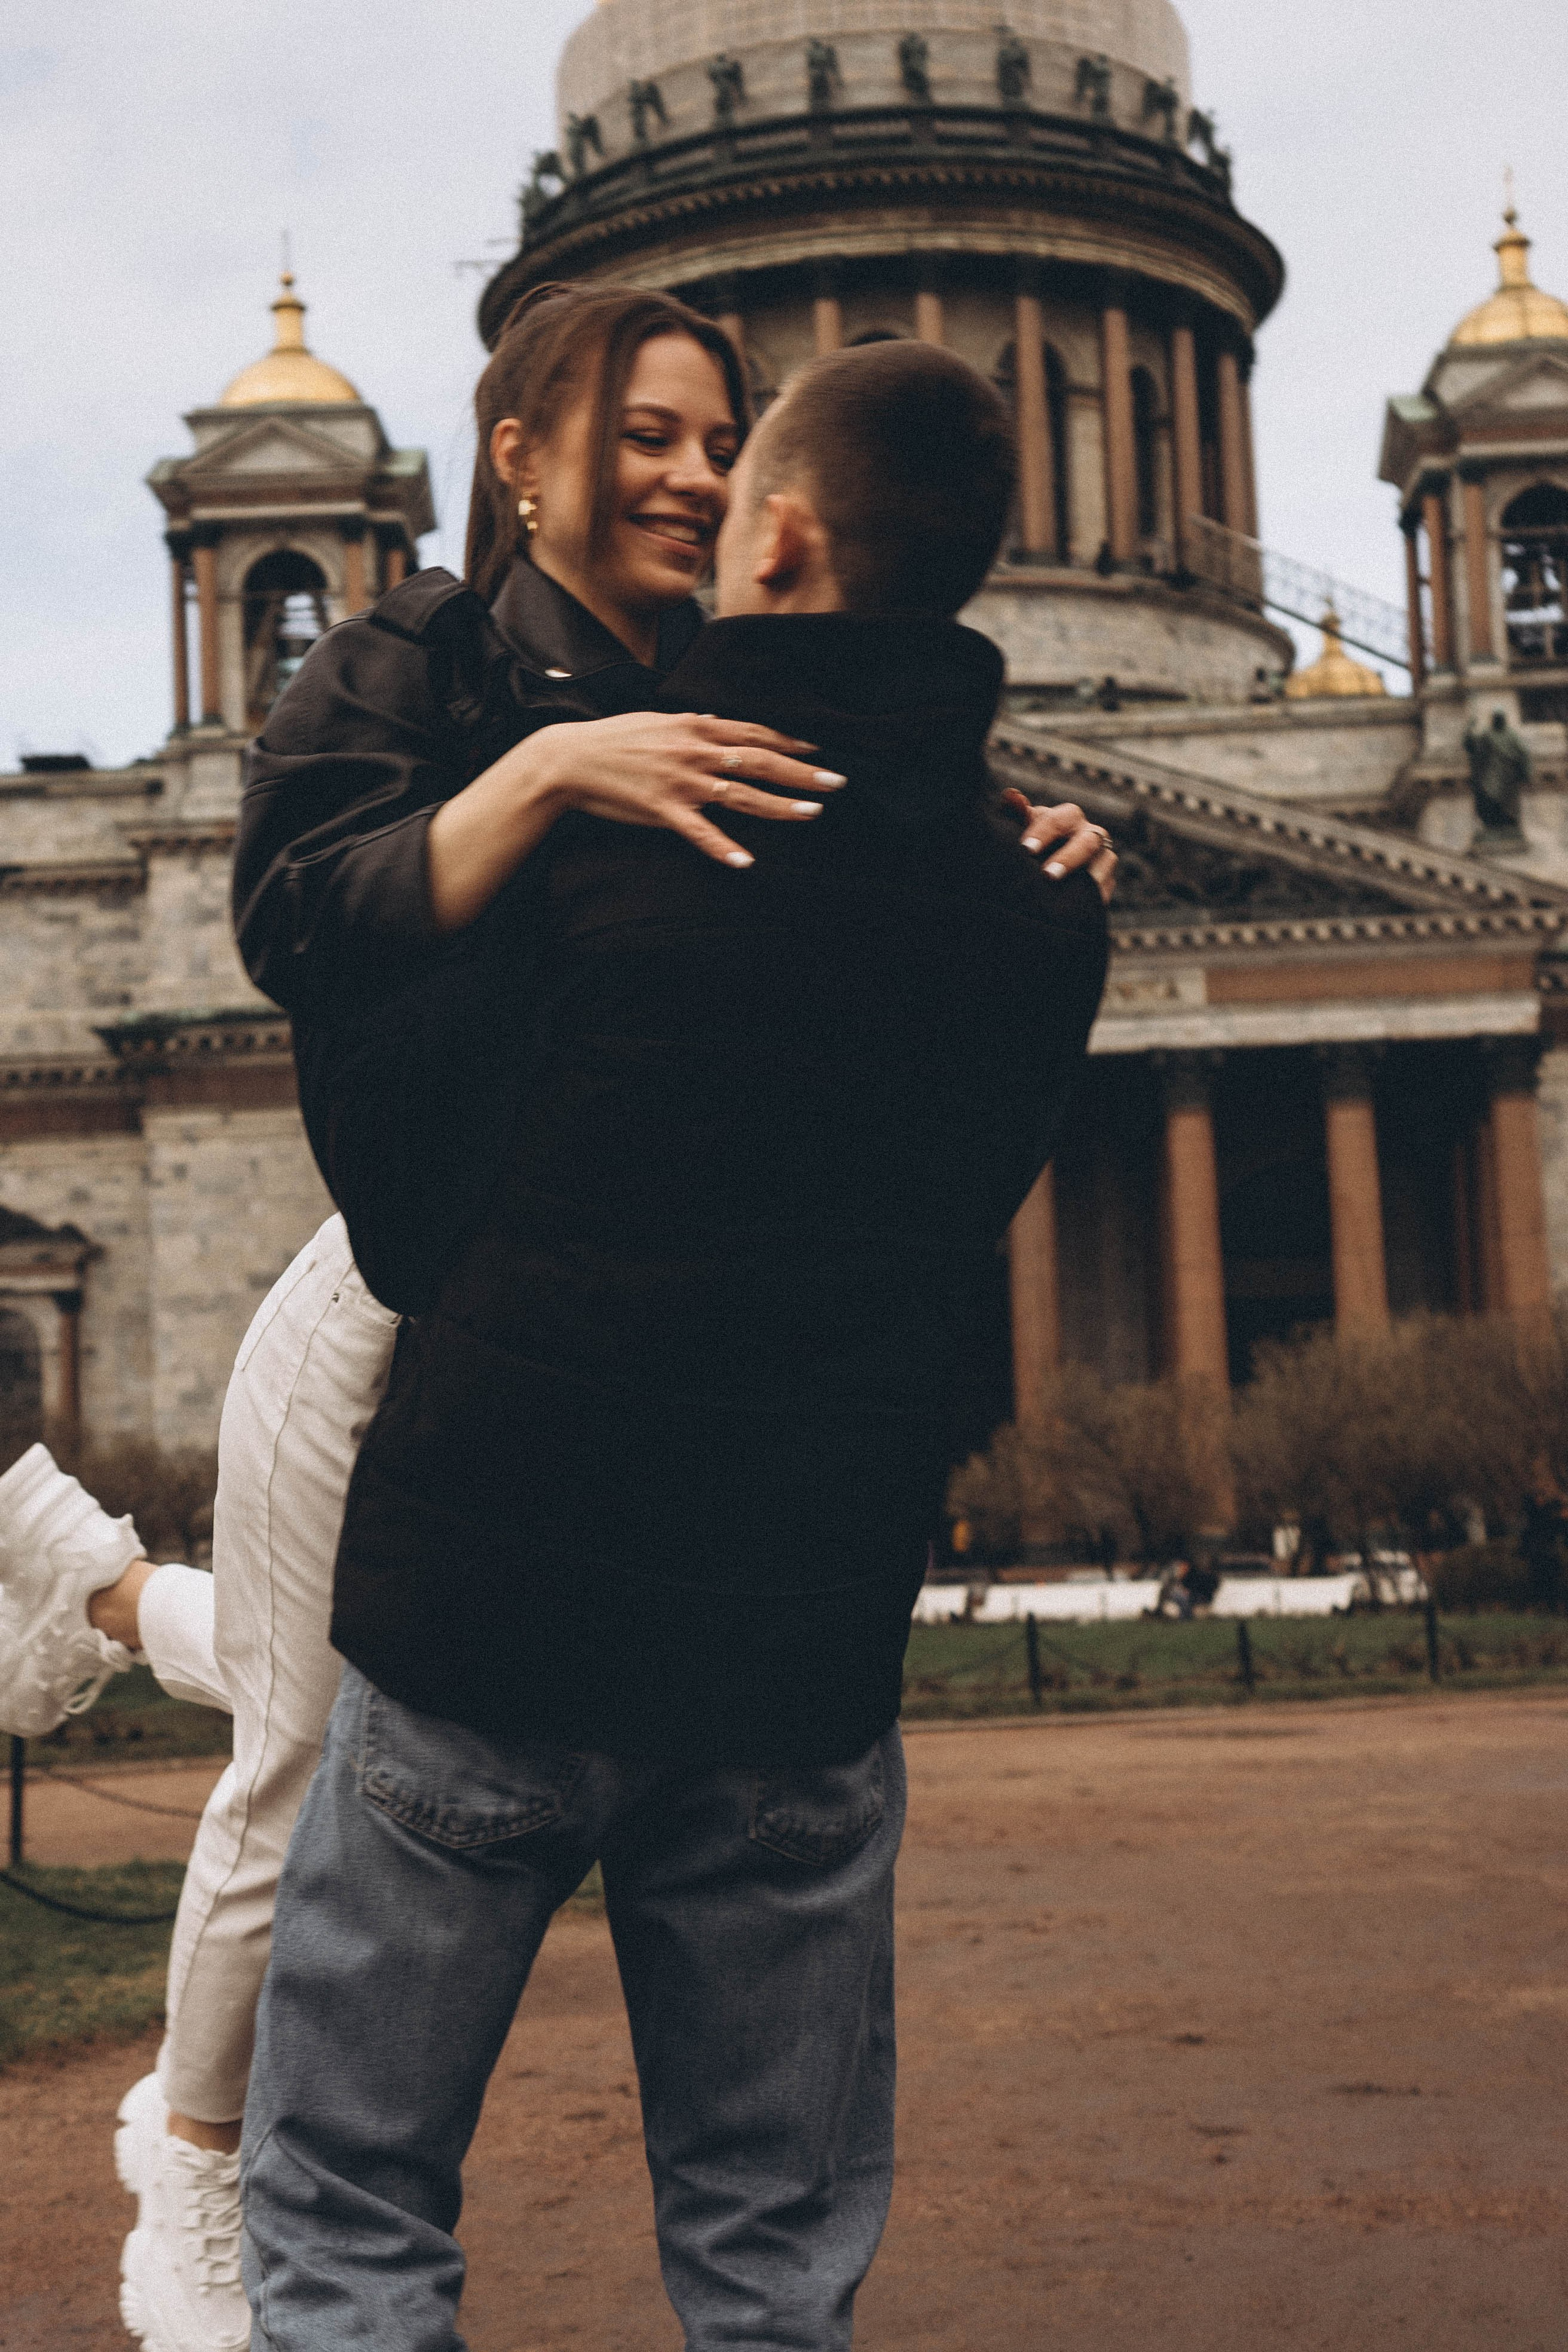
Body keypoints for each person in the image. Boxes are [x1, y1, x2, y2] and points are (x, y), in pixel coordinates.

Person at [0, 286, 1111, 2352]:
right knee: (302, 1734)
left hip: (532, 1470)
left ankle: (79, 1594)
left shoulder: (761, 726)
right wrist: (541, 790)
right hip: (442, 1323)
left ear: (781, 521)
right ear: (516, 453)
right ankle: (194, 2152)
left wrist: (1016, 835)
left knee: (337, 1751)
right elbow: (309, 967)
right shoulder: (411, 670)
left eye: (723, 440)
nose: (691, 475)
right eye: (648, 434)